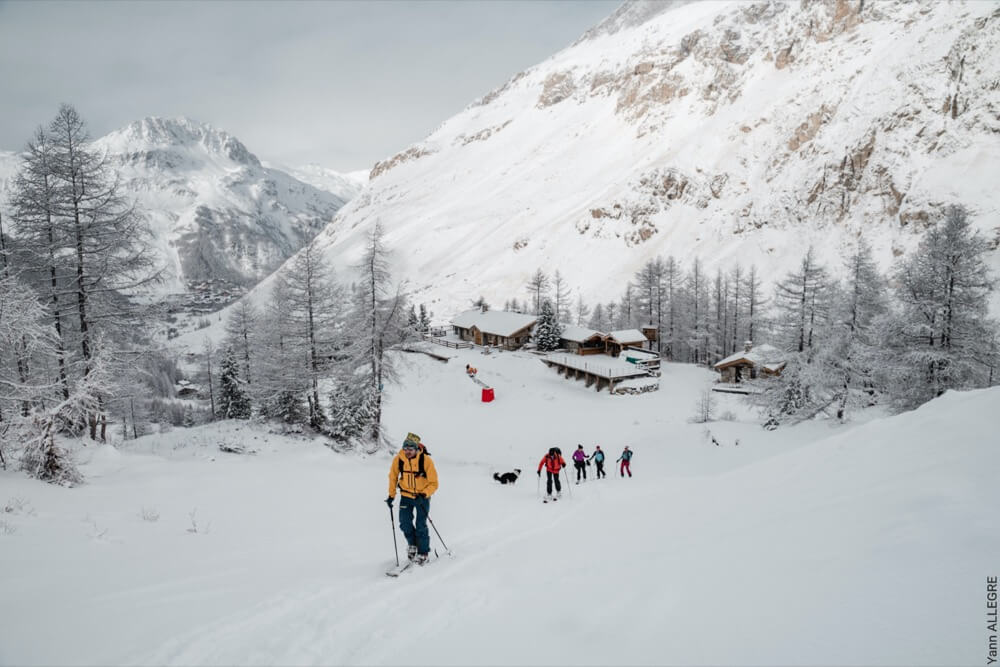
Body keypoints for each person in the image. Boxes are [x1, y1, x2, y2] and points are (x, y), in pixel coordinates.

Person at [386, 433, 439, 564]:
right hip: (406, 496)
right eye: (405, 449)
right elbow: (393, 477)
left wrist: (425, 493)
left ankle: (423, 552)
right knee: (404, 524)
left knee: (421, 525)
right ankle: (413, 545)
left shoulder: (426, 461)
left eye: (410, 449)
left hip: (422, 498)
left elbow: (434, 483)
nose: (407, 452)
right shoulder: (399, 459)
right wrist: (391, 496)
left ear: (416, 449)